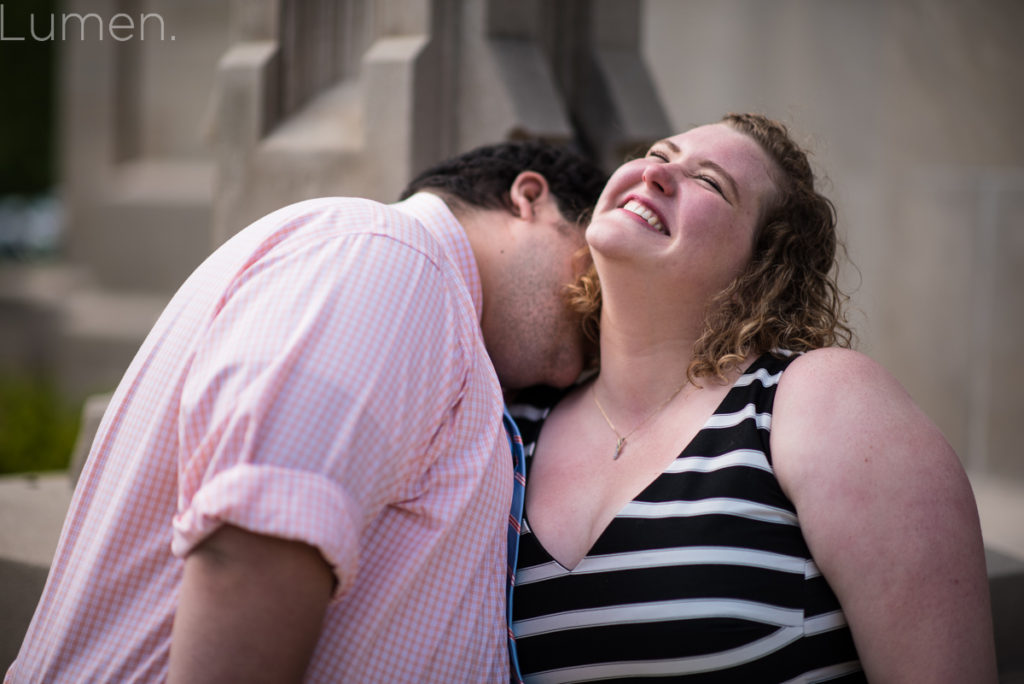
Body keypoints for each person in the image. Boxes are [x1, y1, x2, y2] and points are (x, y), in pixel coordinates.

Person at [6, 140, 606, 683]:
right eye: (592, 282)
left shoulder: (407, 280)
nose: (586, 349)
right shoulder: (394, 259)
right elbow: (251, 548)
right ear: (529, 198)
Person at [509, 113, 998, 682]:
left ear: (763, 266)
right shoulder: (513, 430)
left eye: (710, 183)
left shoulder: (818, 402)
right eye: (660, 155)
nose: (656, 175)